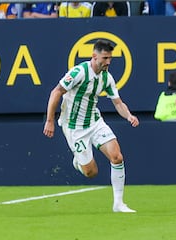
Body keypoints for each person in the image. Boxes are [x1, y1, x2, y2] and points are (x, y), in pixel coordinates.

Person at [43, 39, 139, 213]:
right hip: (74, 127)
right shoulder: (79, 72)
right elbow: (56, 92)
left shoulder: (106, 78)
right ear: (94, 56)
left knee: (117, 157)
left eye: (110, 58)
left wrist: (129, 115)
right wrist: (50, 120)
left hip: (95, 122)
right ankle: (79, 162)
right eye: (105, 58)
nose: (108, 62)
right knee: (91, 172)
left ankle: (118, 203)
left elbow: (118, 103)